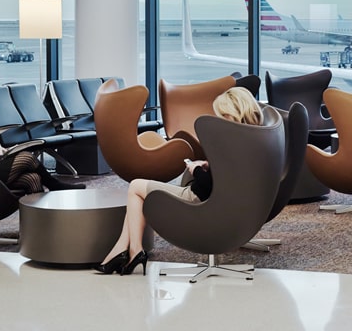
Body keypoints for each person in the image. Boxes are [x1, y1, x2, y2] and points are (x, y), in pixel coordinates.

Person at [94, 86, 263, 276]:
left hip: (199, 200)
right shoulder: (251, 139)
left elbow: (208, 187)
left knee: (135, 187)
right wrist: (209, 164)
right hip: (223, 202)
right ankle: (124, 251)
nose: (218, 119)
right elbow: (230, 175)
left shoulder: (231, 141)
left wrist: (196, 169)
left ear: (234, 114)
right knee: (139, 196)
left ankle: (134, 251)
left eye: (222, 115)